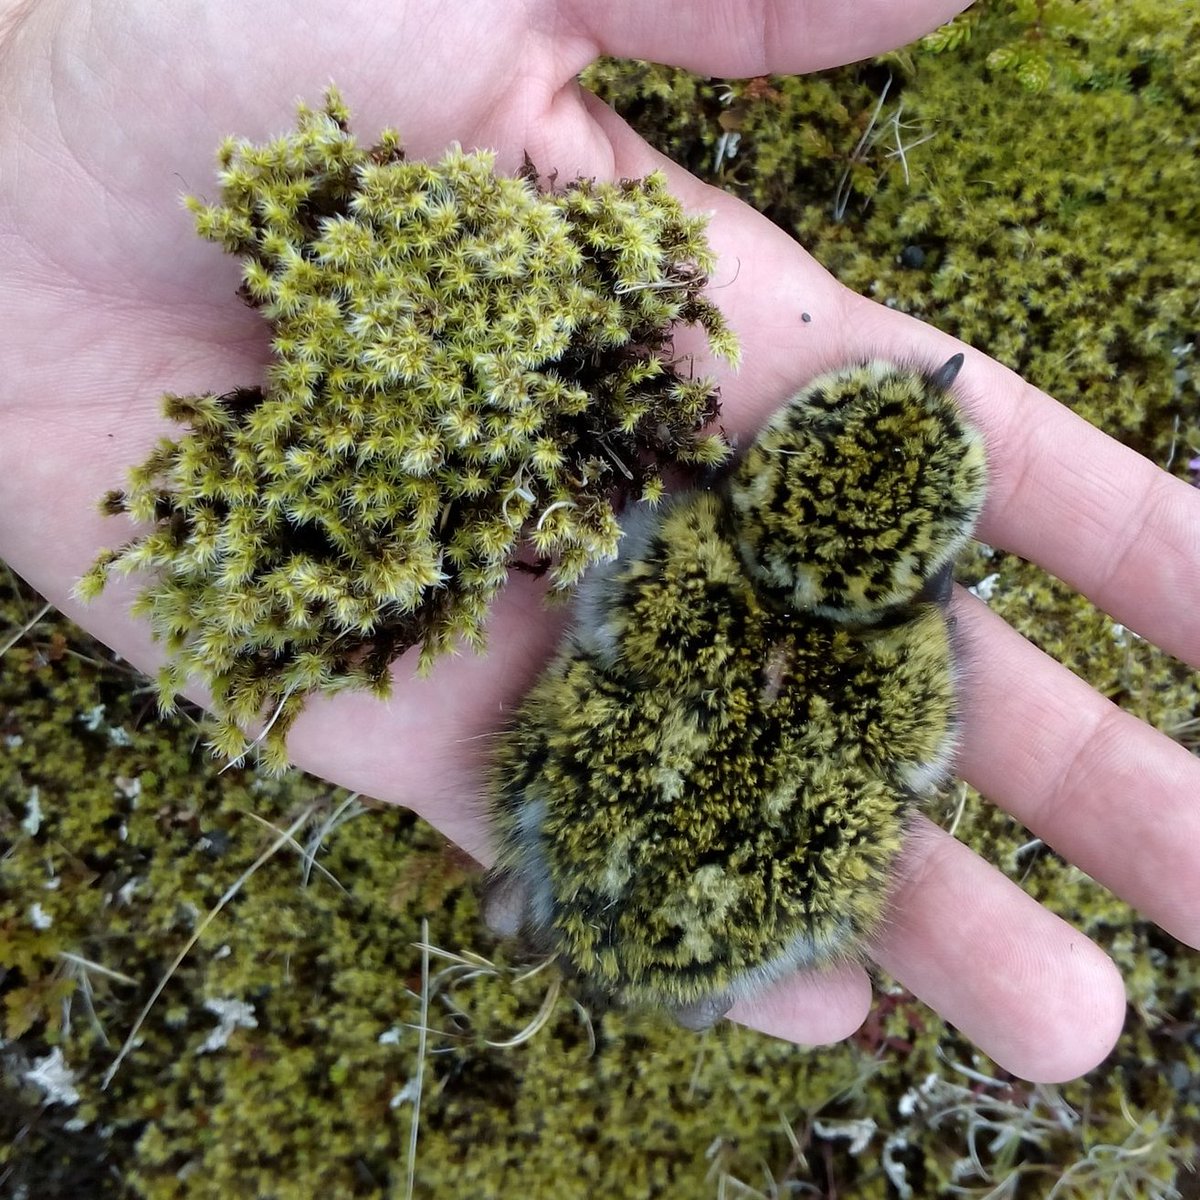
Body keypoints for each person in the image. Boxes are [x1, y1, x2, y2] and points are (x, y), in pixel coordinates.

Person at [2, 0, 1197, 1084]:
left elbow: (649, 595)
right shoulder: (890, 660)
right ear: (925, 569)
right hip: (661, 865)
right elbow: (894, 729)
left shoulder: (715, 570)